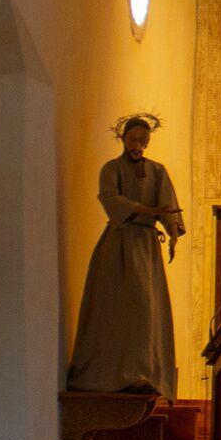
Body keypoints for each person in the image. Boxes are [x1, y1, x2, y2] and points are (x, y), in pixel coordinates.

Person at [64, 111, 185, 393]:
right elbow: (109, 197)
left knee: (146, 308)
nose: (137, 144)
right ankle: (110, 372)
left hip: (146, 247)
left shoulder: (157, 171)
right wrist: (140, 209)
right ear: (124, 139)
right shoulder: (111, 168)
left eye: (142, 140)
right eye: (133, 139)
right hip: (119, 243)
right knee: (115, 308)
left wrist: (173, 231)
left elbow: (168, 201)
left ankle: (144, 371)